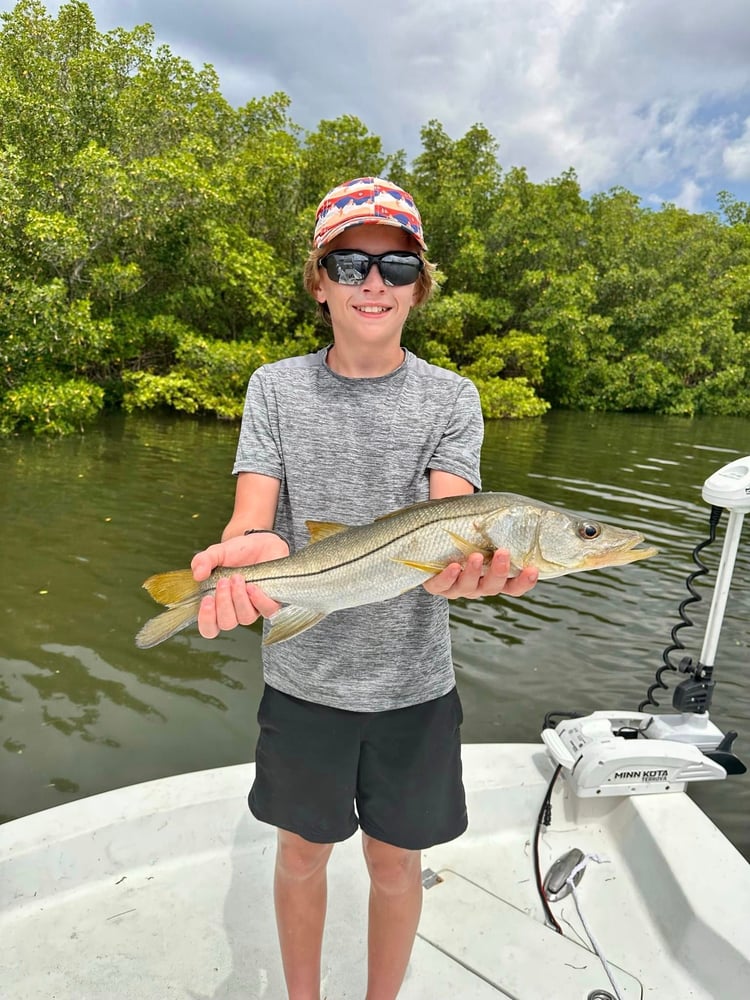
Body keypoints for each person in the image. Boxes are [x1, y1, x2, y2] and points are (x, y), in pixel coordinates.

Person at [190, 177, 538, 1000]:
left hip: (414, 688)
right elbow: (254, 520)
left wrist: (475, 577)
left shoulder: (454, 398)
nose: (373, 283)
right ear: (320, 282)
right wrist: (244, 555)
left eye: (396, 264)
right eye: (350, 264)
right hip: (303, 678)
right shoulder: (273, 387)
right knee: (302, 854)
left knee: (395, 861)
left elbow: (456, 527)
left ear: (421, 283)